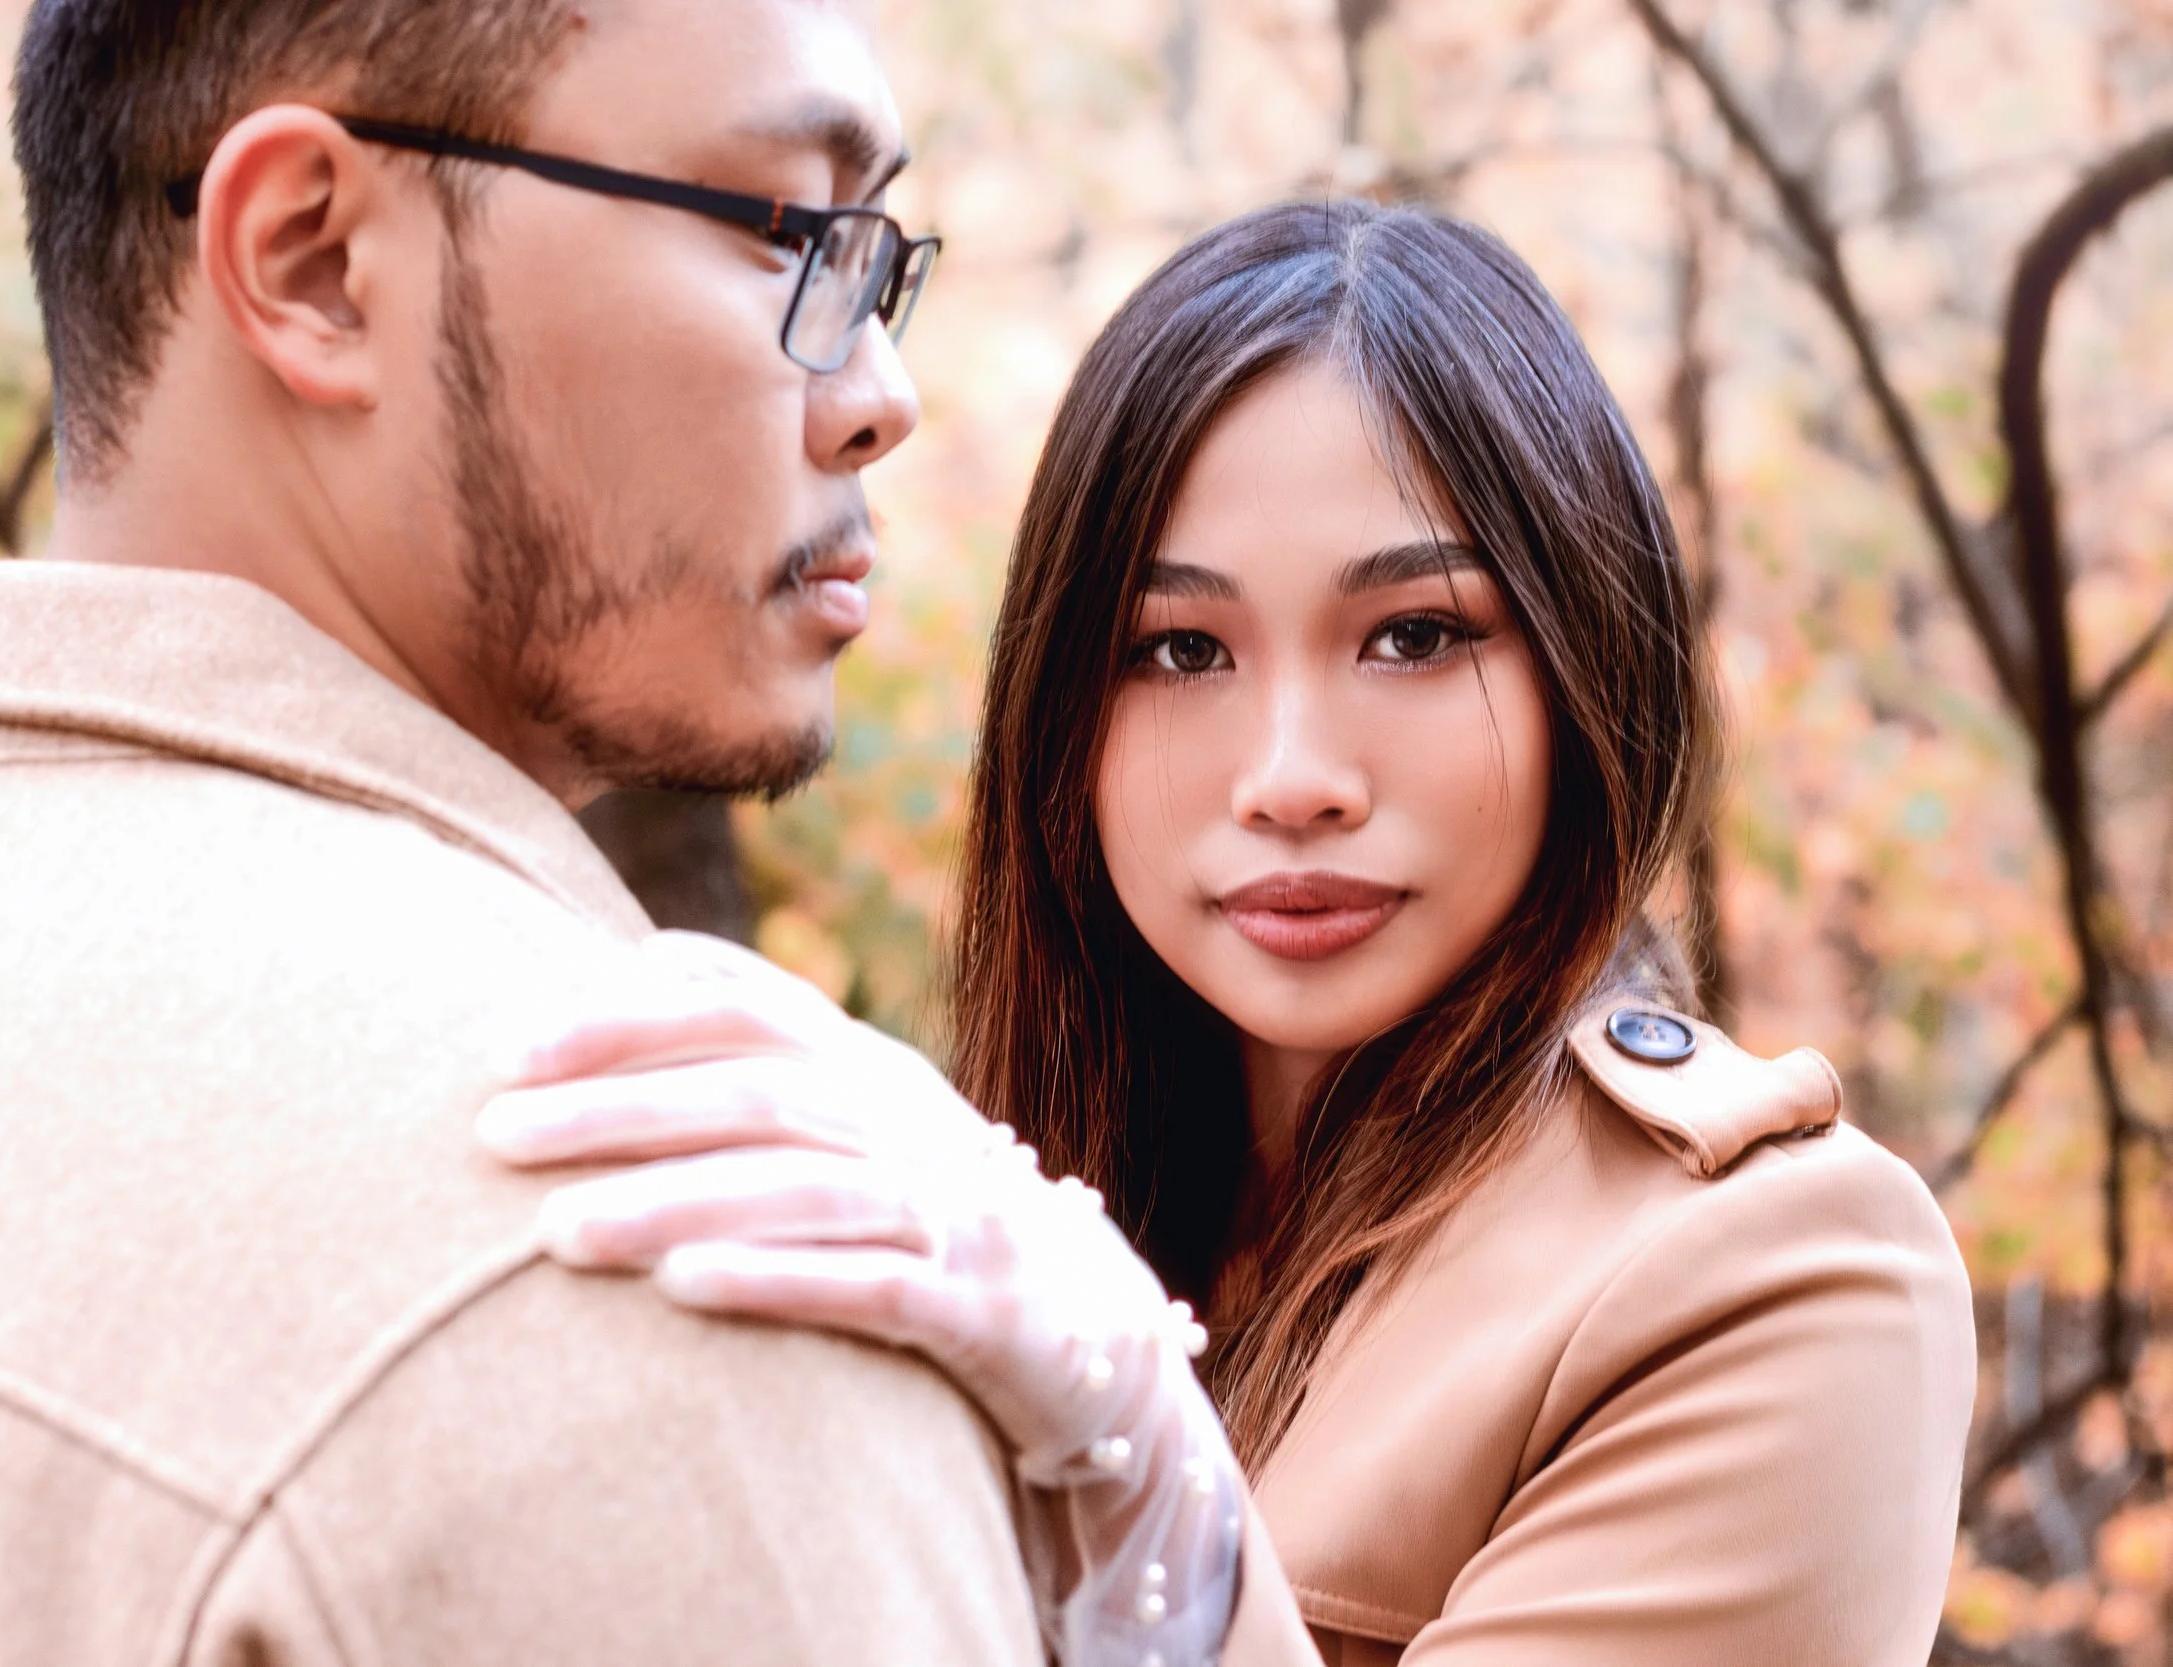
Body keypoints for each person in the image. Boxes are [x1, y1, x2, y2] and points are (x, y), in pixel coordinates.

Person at [0, 2, 1318, 1663]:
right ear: (314, 261)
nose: (878, 394)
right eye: (784, 236)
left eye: (876, 256)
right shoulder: (667, 1258)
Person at [479, 200, 1981, 1665]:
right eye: (1179, 648)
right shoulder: (999, 1206)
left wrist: (1143, 1470)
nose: (1292, 779)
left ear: (1583, 663)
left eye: (1416, 634)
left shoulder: (1775, 1271)